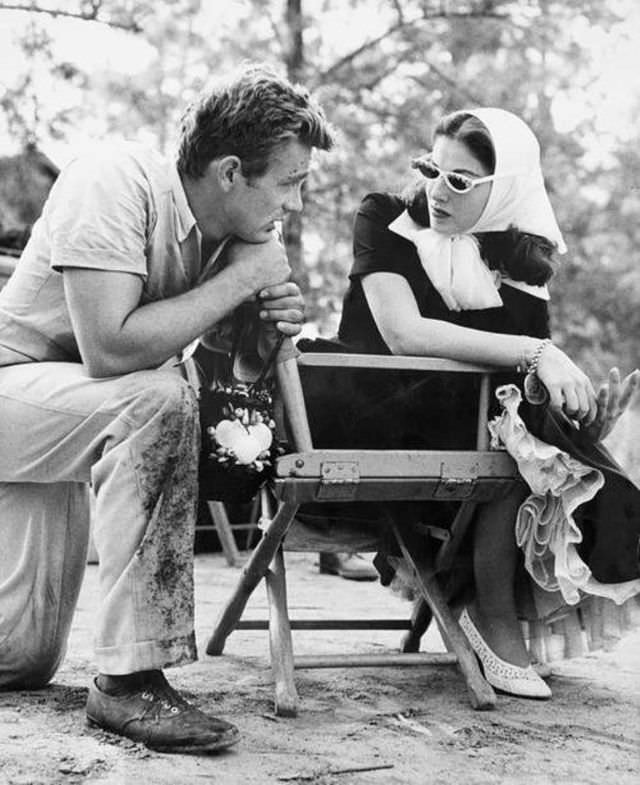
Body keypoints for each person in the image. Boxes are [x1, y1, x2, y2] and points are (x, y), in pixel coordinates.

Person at [0, 63, 334, 752]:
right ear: (231, 170)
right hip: (17, 391)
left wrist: (261, 333)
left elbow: (221, 387)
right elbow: (111, 350)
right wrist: (244, 278)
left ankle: (108, 671)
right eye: (290, 182)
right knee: (155, 397)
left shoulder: (221, 239)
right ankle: (128, 681)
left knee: (21, 659)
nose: (294, 205)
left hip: (67, 425)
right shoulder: (113, 179)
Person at [304, 107, 640, 700]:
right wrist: (540, 353)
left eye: (460, 180)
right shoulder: (384, 217)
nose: (438, 189)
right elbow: (404, 333)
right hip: (368, 405)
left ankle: (481, 607)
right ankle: (491, 615)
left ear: (505, 189)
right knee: (513, 431)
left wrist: (574, 414)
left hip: (466, 423)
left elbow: (517, 375)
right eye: (434, 169)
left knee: (530, 428)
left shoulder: (523, 263)